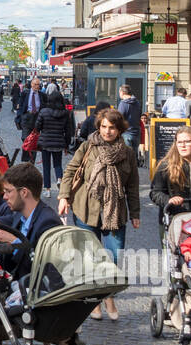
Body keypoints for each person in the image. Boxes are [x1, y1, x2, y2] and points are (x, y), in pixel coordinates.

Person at [58, 108, 140, 321]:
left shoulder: (128, 153)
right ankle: (95, 300)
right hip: (86, 207)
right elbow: (70, 172)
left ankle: (108, 296)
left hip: (115, 210)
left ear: (119, 129)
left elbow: (132, 185)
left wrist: (135, 213)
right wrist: (63, 197)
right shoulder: (87, 147)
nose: (107, 131)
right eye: (103, 127)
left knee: (112, 258)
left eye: (112, 128)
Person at [0, 162, 63, 250]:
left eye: (8, 191)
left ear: (24, 192)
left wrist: (15, 241)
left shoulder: (48, 222)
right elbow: (5, 221)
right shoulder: (20, 213)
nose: (4, 197)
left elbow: (42, 261)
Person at [34, 90, 74, 194]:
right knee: (58, 164)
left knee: (46, 166)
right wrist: (66, 145)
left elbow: (37, 127)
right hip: (58, 142)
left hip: (45, 142)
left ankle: (47, 189)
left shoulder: (43, 111)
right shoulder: (65, 113)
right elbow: (68, 131)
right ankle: (59, 179)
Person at [16, 78, 46, 160]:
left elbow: (44, 106)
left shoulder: (42, 95)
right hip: (27, 117)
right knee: (25, 138)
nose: (37, 86)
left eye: (38, 85)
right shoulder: (25, 93)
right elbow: (20, 105)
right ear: (32, 84)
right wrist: (20, 116)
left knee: (34, 140)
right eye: (35, 84)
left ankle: (32, 160)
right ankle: (26, 159)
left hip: (37, 118)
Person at [117, 85, 142, 152]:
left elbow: (119, 118)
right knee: (134, 156)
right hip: (136, 133)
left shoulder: (123, 103)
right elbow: (139, 115)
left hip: (126, 133)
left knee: (127, 156)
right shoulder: (137, 102)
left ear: (122, 92)